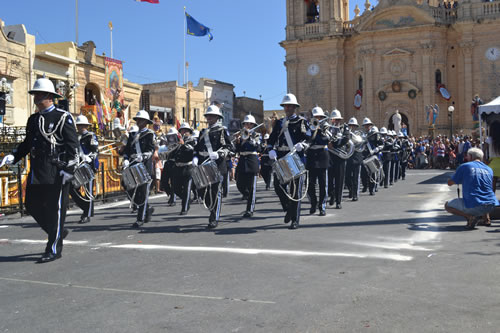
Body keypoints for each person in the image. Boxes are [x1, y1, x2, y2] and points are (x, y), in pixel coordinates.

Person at [0, 78, 79, 263]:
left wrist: (69, 168)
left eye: (39, 95)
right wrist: (14, 156)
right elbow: (28, 144)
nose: (35, 98)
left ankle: (53, 248)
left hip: (57, 171)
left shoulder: (62, 117)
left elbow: (72, 146)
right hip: (38, 171)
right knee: (32, 205)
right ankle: (56, 231)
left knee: (55, 210)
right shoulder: (33, 119)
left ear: (49, 97)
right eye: (35, 95)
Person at [268, 93, 311, 229]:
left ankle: (295, 219)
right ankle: (288, 208)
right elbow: (272, 139)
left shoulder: (301, 122)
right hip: (281, 156)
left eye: (290, 106)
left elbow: (309, 138)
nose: (287, 108)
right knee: (278, 186)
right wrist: (270, 149)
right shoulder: (280, 123)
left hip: (295, 157)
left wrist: (303, 145)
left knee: (295, 190)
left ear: (294, 107)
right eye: (286, 106)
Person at [193, 105, 233, 229]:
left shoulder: (222, 130)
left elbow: (229, 147)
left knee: (215, 192)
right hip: (203, 164)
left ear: (217, 117)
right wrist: (195, 157)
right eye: (207, 116)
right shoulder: (202, 132)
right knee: (201, 191)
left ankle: (214, 217)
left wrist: (219, 153)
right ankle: (211, 208)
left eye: (211, 116)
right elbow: (197, 148)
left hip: (217, 164)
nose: (209, 117)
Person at [445, 147, 498, 229]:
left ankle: (470, 217)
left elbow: (450, 183)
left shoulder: (465, 166)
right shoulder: (489, 169)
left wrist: (454, 178)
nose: (466, 157)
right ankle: (486, 219)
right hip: (491, 205)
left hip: (475, 205)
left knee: (448, 205)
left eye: (467, 156)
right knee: (483, 191)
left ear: (470, 156)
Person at [123, 110, 155, 228]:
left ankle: (140, 218)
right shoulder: (132, 135)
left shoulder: (149, 134)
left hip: (144, 166)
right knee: (128, 187)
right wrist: (126, 159)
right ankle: (147, 208)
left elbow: (151, 149)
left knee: (142, 191)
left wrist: (144, 156)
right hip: (132, 164)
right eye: (138, 120)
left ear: (146, 122)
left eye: (141, 120)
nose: (139, 122)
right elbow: (127, 150)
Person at [69, 115, 99, 224]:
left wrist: (89, 157)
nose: (80, 127)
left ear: (86, 126)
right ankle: (85, 206)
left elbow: (95, 150)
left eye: (82, 125)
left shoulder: (91, 136)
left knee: (88, 191)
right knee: (72, 188)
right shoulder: (75, 137)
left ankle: (87, 213)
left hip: (88, 166)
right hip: (77, 166)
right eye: (78, 125)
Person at [235, 114, 261, 217]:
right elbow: (236, 150)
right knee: (239, 183)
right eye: (246, 123)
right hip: (242, 161)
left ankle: (249, 209)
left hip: (252, 161)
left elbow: (259, 148)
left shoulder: (256, 135)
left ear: (253, 125)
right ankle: (247, 195)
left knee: (251, 187)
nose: (247, 125)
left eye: (250, 124)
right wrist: (237, 141)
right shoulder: (241, 135)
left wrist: (250, 138)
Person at [306, 106, 330, 215]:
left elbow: (325, 141)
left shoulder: (325, 127)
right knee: (310, 184)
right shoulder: (307, 127)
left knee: (323, 184)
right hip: (311, 157)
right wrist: (311, 130)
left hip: (322, 157)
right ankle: (313, 204)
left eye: (319, 117)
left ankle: (322, 206)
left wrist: (320, 130)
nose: (317, 119)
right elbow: (307, 140)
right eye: (316, 117)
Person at [171, 122, 196, 215]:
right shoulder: (177, 141)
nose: (184, 132)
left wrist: (183, 144)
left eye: (186, 130)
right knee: (176, 188)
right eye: (182, 130)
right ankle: (187, 199)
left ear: (189, 132)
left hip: (188, 167)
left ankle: (184, 208)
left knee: (187, 189)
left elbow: (192, 149)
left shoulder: (192, 140)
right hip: (178, 167)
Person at [485, 121, 500, 192]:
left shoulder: (489, 139)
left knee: (493, 183)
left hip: (492, 162)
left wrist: (485, 160)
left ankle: (493, 199)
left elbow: (482, 151)